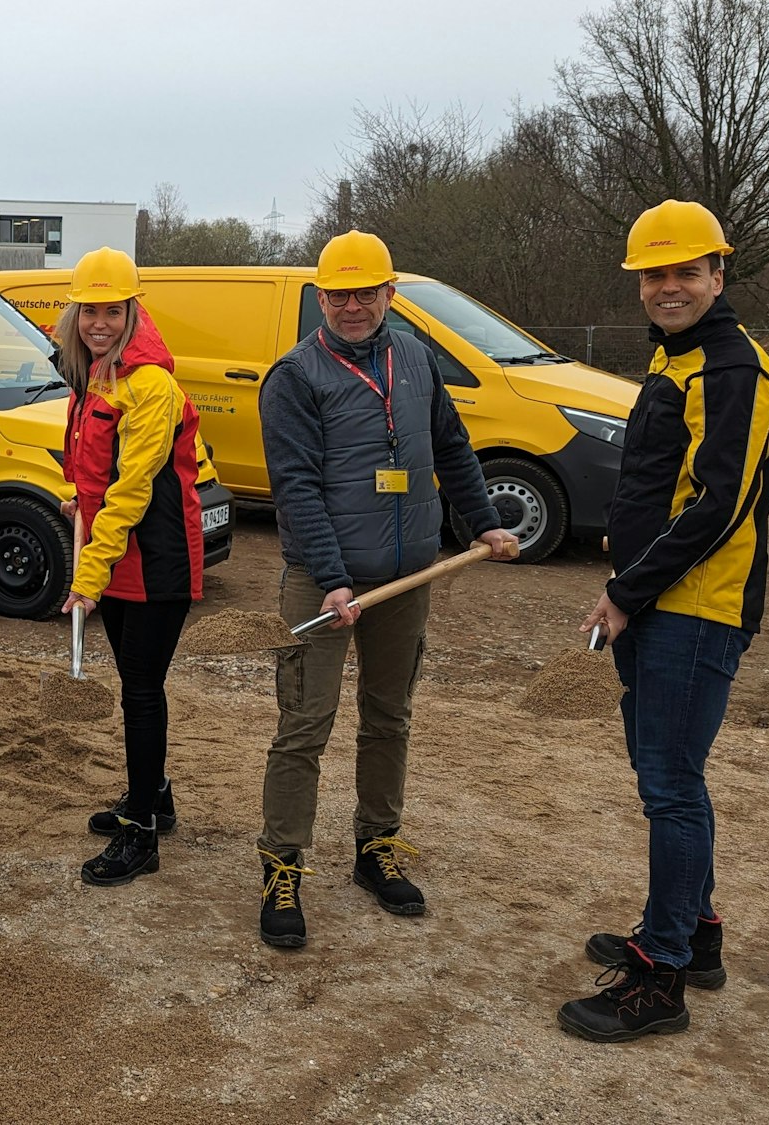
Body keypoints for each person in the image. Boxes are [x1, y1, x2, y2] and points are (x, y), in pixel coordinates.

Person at [559, 200, 769, 1043]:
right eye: (655, 274)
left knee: (671, 786)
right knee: (674, 776)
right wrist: (628, 573)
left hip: (695, 609)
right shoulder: (678, 362)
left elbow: (719, 510)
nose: (669, 286)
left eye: (686, 271)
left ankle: (660, 977)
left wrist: (628, 591)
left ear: (718, 275)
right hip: (660, 599)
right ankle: (694, 931)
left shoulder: (733, 371)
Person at [255, 230, 518, 949]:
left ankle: (376, 846)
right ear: (321, 297)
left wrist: (486, 523)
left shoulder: (418, 360)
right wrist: (333, 580)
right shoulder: (295, 377)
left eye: (364, 291)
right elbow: (298, 489)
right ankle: (284, 863)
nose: (350, 305)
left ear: (389, 294)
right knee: (304, 726)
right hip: (323, 579)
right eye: (337, 293)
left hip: (405, 576)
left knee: (389, 716)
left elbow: (453, 450)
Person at [58, 247, 216, 888]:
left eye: (112, 310)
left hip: (154, 561)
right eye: (90, 309)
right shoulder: (98, 373)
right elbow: (96, 468)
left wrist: (88, 576)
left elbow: (133, 490)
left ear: (132, 309)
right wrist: (79, 497)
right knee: (134, 681)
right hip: (115, 548)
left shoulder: (149, 385)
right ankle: (156, 795)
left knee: (141, 692)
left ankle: (142, 837)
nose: (100, 321)